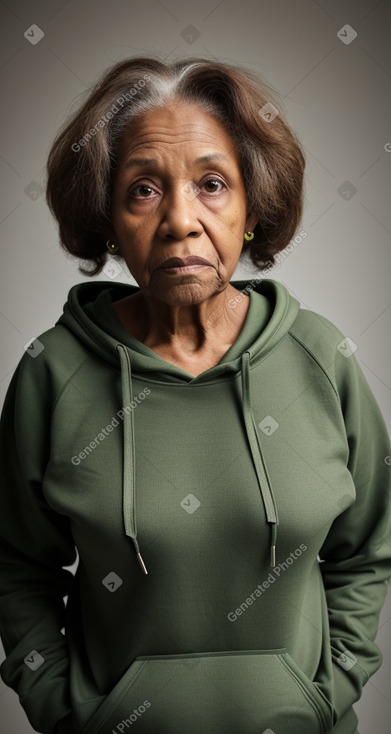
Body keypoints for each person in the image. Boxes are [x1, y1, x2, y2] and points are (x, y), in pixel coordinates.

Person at [0, 55, 389, 734]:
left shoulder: (323, 358)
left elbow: (366, 550)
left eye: (211, 184)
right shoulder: (52, 371)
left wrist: (324, 693)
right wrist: (68, 712)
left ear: (250, 208)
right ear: (108, 219)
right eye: (143, 190)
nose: (180, 220)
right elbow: (13, 567)